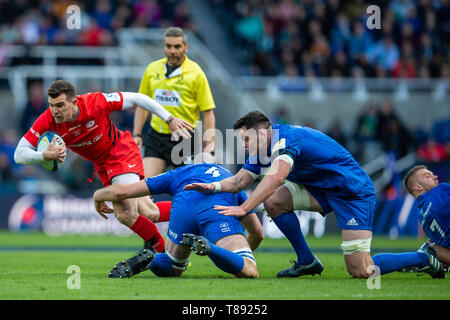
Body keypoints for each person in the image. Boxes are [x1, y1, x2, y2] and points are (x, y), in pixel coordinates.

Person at [184, 111, 376, 279]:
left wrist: (244, 207)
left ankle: (408, 258)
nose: (243, 145)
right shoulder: (264, 147)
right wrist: (212, 187)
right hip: (321, 188)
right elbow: (238, 182)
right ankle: (307, 261)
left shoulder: (284, 139)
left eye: (246, 139)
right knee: (274, 202)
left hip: (351, 192)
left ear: (260, 133)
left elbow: (277, 177)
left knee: (361, 269)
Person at [14, 79, 194, 253]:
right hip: (103, 166)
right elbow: (19, 153)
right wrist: (43, 155)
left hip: (121, 152)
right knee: (150, 212)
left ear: (74, 102)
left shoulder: (95, 102)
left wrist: (169, 119)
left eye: (60, 105)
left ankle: (163, 254)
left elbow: (138, 98)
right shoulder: (48, 119)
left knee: (125, 213)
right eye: (51, 105)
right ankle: (195, 209)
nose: (55, 111)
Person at [93, 155, 263, 279]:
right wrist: (235, 259)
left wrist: (98, 195)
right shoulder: (230, 178)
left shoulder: (177, 173)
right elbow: (257, 233)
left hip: (183, 210)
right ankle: (209, 248)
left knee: (173, 269)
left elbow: (122, 191)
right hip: (217, 210)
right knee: (249, 269)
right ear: (215, 163)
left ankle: (151, 260)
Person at [133, 26, 216, 178]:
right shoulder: (152, 69)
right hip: (156, 137)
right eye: (168, 46)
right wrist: (137, 134)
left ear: (186, 47)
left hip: (186, 139)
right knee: (143, 186)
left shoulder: (196, 73)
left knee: (188, 189)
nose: (172, 51)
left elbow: (208, 112)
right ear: (164, 47)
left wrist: (209, 145)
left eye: (177, 46)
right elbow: (142, 105)